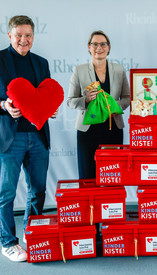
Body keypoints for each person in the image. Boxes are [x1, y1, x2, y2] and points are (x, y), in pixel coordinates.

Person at [0, 15, 57, 262]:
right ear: (10, 36)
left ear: (34, 36)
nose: (24, 40)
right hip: (11, 139)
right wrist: (3, 105)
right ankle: (8, 242)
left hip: (38, 137)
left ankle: (31, 234)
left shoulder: (41, 62)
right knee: (6, 193)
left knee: (38, 190)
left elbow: (44, 95)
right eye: (19, 35)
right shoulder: (0, 60)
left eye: (28, 35)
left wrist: (49, 109)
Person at [67, 30, 130, 179]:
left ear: (108, 47)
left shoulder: (119, 70)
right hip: (87, 131)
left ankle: (110, 202)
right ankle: (90, 203)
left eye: (103, 44)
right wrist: (85, 100)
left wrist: (115, 107)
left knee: (112, 175)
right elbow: (70, 101)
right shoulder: (79, 70)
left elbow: (127, 98)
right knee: (88, 175)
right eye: (94, 44)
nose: (99, 47)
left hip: (112, 128)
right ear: (89, 47)